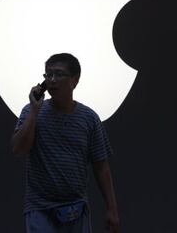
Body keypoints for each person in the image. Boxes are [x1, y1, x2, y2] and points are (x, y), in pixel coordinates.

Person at [11, 53, 119, 233]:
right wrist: (34, 112)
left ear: (74, 81)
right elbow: (18, 149)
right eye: (48, 75)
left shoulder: (89, 118)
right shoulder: (31, 111)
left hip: (76, 208)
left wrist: (112, 209)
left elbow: (101, 166)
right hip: (40, 207)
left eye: (59, 74)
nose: (52, 80)